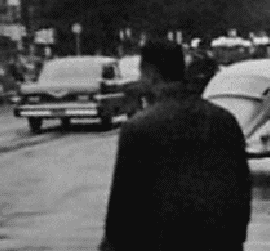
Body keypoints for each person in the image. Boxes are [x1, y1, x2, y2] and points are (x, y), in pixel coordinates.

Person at [100, 40, 251, 251]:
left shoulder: (138, 129)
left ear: (151, 74)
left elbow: (123, 207)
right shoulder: (224, 120)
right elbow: (241, 188)